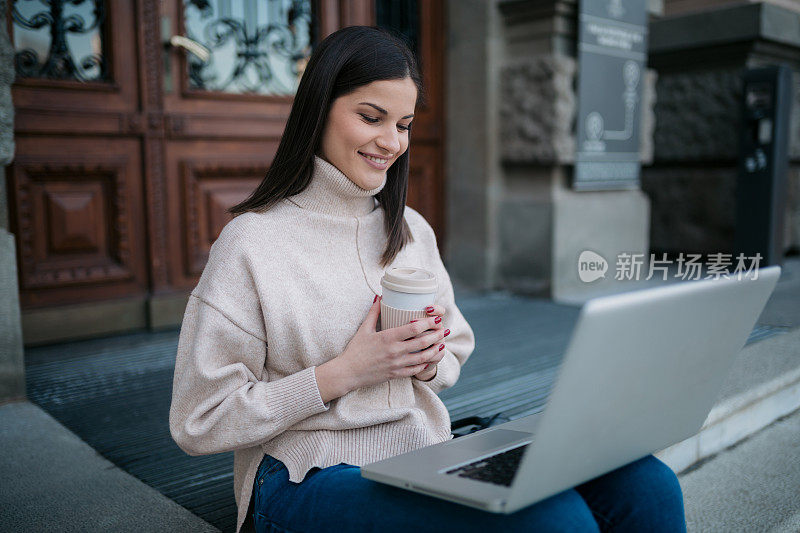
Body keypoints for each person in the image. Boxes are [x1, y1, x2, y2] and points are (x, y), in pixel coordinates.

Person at [169, 26, 686, 533]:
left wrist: (428, 359)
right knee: (549, 520)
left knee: (643, 480)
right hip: (303, 476)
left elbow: (454, 347)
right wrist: (342, 373)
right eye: (371, 117)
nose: (391, 142)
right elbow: (201, 418)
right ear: (318, 109)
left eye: (405, 123)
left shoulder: (410, 229)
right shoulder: (254, 243)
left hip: (422, 454)